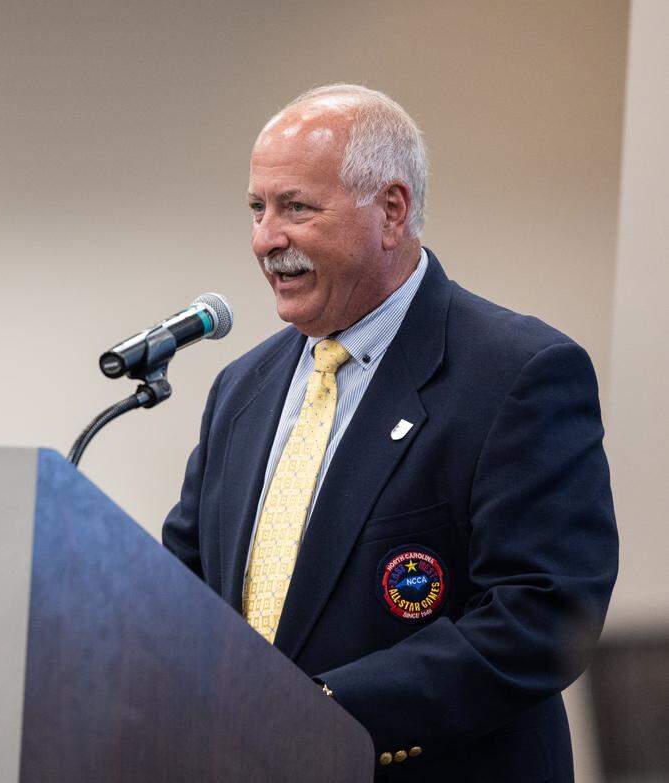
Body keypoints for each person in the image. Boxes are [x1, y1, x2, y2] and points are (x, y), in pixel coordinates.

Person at [161, 84, 617, 782]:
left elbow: (543, 616)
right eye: (257, 208)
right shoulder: (241, 390)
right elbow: (181, 588)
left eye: (295, 208)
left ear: (392, 211)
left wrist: (318, 713)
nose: (265, 238)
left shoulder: (519, 373)